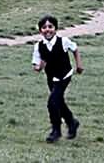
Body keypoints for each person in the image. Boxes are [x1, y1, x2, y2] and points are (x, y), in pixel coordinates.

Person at [32, 14, 84, 143]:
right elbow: (36, 67)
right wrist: (40, 66)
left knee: (52, 102)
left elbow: (75, 49)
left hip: (64, 75)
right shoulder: (38, 46)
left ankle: (56, 130)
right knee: (59, 101)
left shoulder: (64, 41)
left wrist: (79, 65)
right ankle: (72, 122)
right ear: (40, 31)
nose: (47, 29)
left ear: (55, 29)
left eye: (50, 26)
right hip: (51, 77)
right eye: (44, 27)